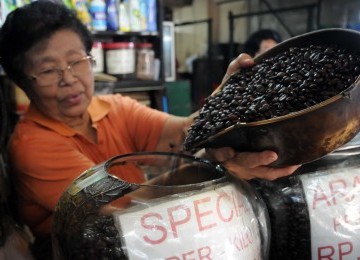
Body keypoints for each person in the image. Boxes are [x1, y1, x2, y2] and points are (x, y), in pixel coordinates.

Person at [0, 1, 299, 257]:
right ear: (23, 82)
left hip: (154, 242)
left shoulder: (114, 107)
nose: (69, 78)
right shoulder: (31, 145)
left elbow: (182, 134)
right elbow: (125, 211)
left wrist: (231, 95)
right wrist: (211, 163)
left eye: (77, 61)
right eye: (49, 69)